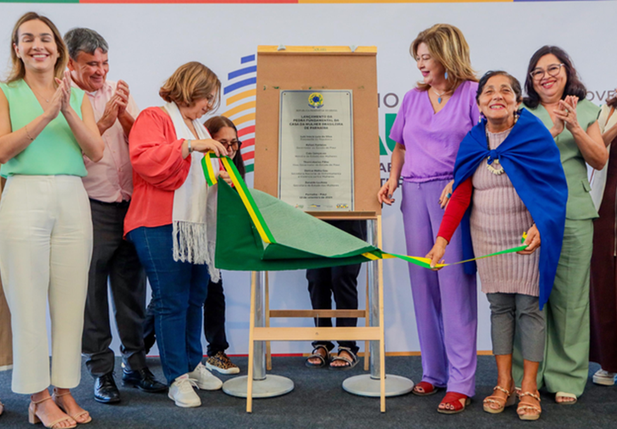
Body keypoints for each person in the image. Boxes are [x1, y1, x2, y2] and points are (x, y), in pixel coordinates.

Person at [427, 71, 568, 421]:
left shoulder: (533, 135)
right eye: (488, 91)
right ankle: (504, 384)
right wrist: (441, 241)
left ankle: (530, 387)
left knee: (530, 310)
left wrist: (540, 226)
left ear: (518, 101)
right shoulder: (473, 140)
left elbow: (552, 189)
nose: (497, 95)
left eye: (506, 90)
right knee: (499, 309)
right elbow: (460, 193)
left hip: (527, 240)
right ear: (478, 104)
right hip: (487, 239)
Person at [0, 12, 104, 428]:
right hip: (23, 194)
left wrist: (67, 109)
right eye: (27, 39)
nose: (37, 45)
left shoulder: (77, 96)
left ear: (59, 48)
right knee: (26, 301)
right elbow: (3, 150)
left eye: (45, 38)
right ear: (16, 48)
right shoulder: (6, 91)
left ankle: (64, 389)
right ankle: (38, 397)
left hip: (72, 197)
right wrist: (46, 115)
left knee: (70, 301)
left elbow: (96, 151)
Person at [376, 23, 478, 413]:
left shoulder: (471, 93)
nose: (420, 64)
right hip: (413, 195)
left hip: (451, 196)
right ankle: (433, 372)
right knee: (423, 284)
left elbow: (479, 146)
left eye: (426, 56)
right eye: (417, 57)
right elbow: (400, 145)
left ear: (446, 55)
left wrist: (458, 180)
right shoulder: (412, 97)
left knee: (454, 286)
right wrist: (392, 180)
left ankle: (462, 381)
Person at [64, 27, 166, 404]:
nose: (100, 71)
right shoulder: (64, 98)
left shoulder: (116, 92)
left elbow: (140, 142)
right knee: (92, 294)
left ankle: (135, 367)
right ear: (71, 62)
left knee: (131, 291)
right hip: (89, 205)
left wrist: (122, 116)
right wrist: (103, 120)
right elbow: (74, 153)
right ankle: (101, 373)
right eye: (91, 64)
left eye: (104, 63)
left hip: (129, 205)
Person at [125, 61, 229, 408]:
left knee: (196, 296)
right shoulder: (154, 117)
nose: (208, 107)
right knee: (170, 302)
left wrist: (221, 178)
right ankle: (176, 378)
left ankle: (191, 363)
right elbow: (144, 159)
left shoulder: (196, 125)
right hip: (156, 223)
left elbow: (202, 178)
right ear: (191, 88)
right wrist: (190, 146)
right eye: (207, 98)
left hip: (193, 227)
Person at [513, 46, 607, 405]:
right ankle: (527, 376)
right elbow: (517, 157)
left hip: (574, 214)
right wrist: (552, 130)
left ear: (567, 71)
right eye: (538, 71)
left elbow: (599, 159)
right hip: (527, 214)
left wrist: (573, 128)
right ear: (531, 80)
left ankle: (567, 374)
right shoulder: (522, 111)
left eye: (553, 69)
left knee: (570, 299)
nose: (546, 76)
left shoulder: (584, 109)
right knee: (528, 298)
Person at [142, 115, 244, 375]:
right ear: (208, 141)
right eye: (223, 142)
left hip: (211, 241)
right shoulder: (196, 160)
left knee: (208, 295)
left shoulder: (232, 165)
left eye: (234, 143)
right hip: (185, 234)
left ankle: (212, 354)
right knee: (169, 300)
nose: (229, 149)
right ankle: (139, 352)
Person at [304, 220, 367, 370]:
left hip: (349, 220)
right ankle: (322, 343)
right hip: (316, 221)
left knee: (342, 279)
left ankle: (347, 346)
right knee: (316, 280)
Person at [589, 92, 617, 386]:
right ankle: (609, 363)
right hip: (605, 204)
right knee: (605, 284)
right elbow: (596, 153)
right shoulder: (607, 107)